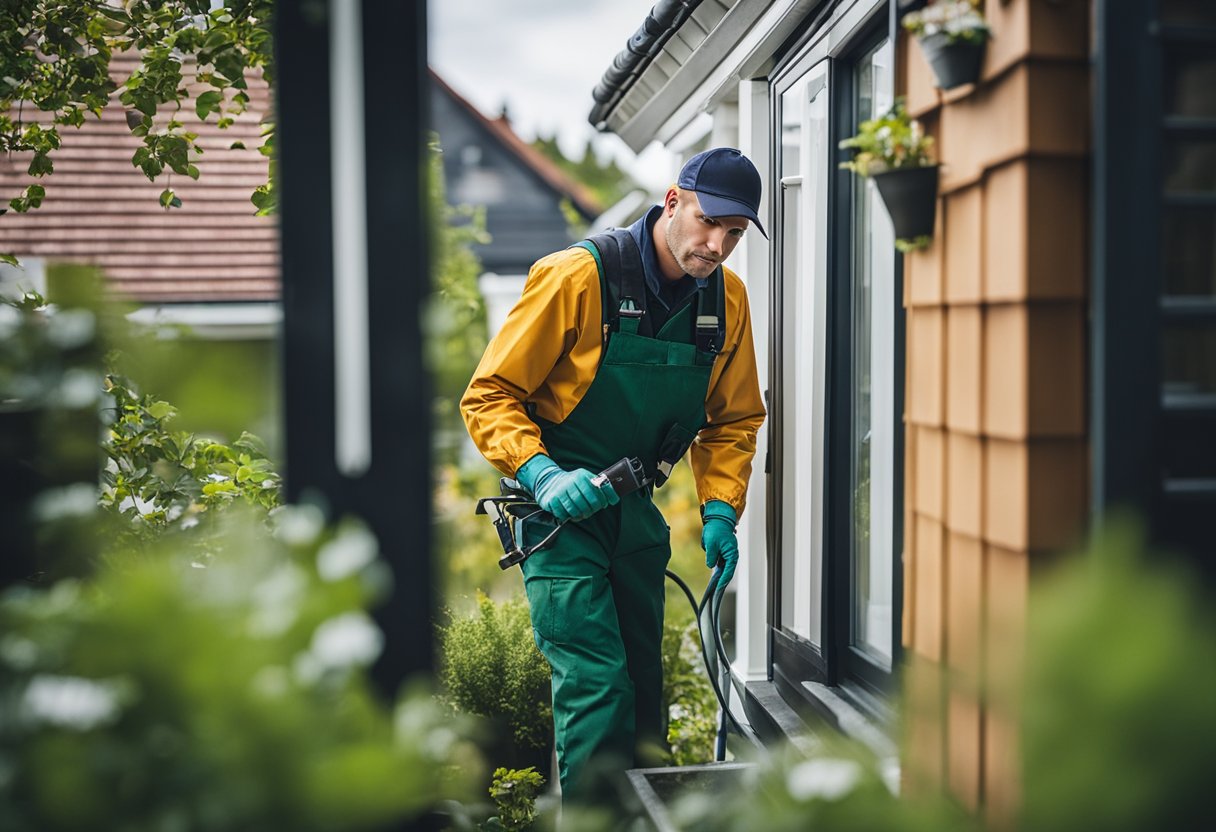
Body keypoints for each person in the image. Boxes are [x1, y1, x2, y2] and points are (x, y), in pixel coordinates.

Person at [460, 147, 766, 798]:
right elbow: (488, 396)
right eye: (709, 222)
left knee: (643, 698)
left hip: (633, 516)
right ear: (673, 200)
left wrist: (719, 508)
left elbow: (733, 420)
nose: (716, 245)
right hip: (558, 520)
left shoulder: (725, 303)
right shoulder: (577, 278)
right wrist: (541, 473)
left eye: (734, 235)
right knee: (598, 691)